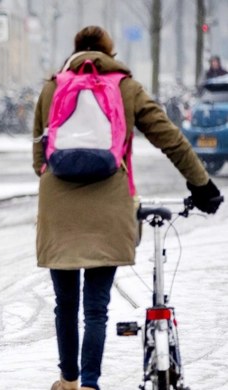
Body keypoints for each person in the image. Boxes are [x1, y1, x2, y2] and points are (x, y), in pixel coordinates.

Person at [33, 26, 223, 390]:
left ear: (76, 52)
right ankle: (90, 383)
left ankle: (68, 382)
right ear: (111, 52)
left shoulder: (52, 88)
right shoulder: (126, 88)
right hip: (110, 205)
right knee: (96, 307)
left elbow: (38, 158)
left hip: (58, 208)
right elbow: (171, 139)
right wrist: (202, 185)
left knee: (66, 304)